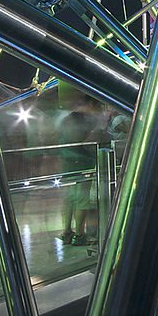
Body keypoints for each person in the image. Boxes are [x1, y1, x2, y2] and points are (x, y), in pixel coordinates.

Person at [59, 94, 99, 245]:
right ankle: (80, 235)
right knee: (81, 199)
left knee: (69, 199)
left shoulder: (66, 118)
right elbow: (83, 142)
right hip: (82, 163)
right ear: (89, 104)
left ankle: (66, 232)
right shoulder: (86, 121)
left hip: (67, 162)